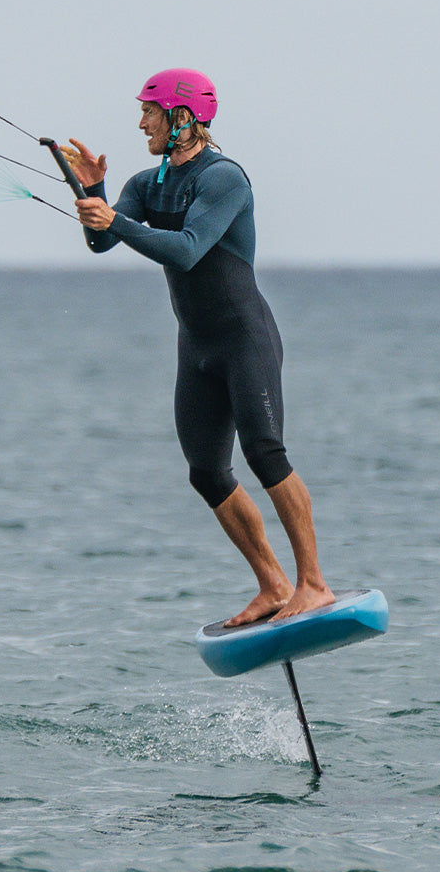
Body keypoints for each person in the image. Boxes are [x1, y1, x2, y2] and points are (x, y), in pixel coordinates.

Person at [63, 68, 335, 625]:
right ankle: (273, 584)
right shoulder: (146, 184)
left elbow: (187, 250)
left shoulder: (224, 178)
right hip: (197, 347)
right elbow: (101, 242)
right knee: (206, 472)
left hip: (244, 340)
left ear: (182, 116)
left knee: (265, 453)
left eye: (149, 112)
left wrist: (113, 219)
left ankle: (314, 583)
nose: (142, 123)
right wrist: (92, 193)